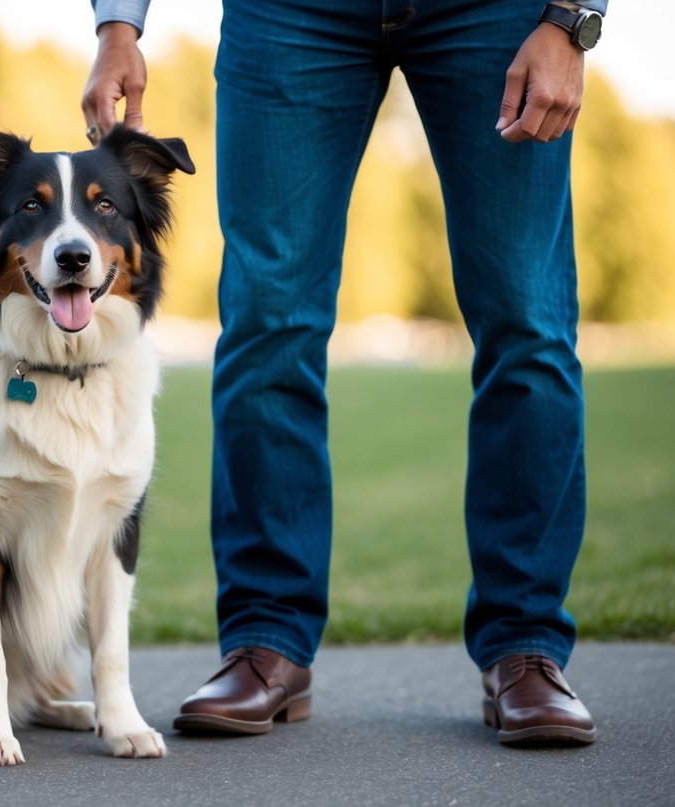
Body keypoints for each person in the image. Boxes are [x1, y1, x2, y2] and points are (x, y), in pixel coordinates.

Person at [83, 0, 606, 745]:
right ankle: (266, 643)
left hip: (497, 13)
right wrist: (117, 26)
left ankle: (524, 651)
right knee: (267, 318)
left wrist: (572, 18)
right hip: (289, 15)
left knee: (527, 320)